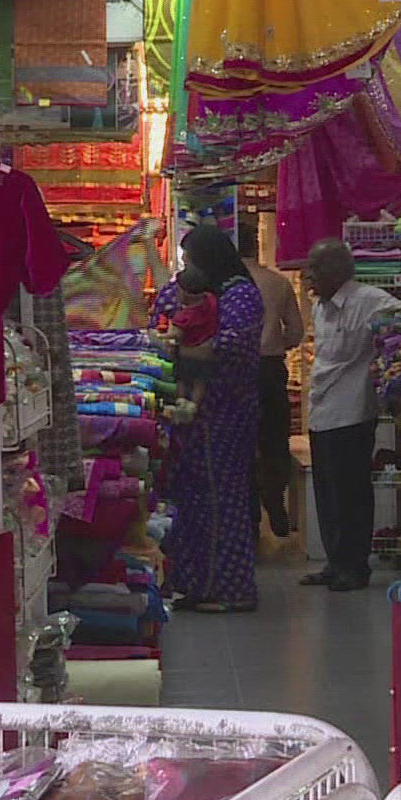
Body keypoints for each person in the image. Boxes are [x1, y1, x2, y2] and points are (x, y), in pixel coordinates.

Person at [152, 225, 264, 613]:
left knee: (222, 497)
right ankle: (193, 584)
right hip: (190, 416)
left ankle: (231, 589)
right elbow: (162, 316)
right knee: (189, 498)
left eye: (192, 260)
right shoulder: (193, 289)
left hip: (226, 412)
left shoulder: (240, 294)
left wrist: (182, 348)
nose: (187, 268)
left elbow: (232, 347)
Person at [302, 238, 401, 592]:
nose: (308, 275)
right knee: (328, 492)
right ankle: (335, 562)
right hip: (322, 409)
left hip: (352, 412)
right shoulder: (320, 307)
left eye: (315, 268)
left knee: (351, 493)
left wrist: (384, 363)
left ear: (337, 271)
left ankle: (354, 566)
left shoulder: (369, 301)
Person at [241, 225, 302, 538]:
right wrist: (278, 343)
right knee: (274, 439)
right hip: (270, 367)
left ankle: (249, 514)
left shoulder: (227, 286)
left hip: (237, 370)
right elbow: (296, 331)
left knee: (241, 443)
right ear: (256, 245)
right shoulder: (277, 282)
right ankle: (276, 503)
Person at [165, 263, 220, 414]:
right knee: (200, 381)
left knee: (182, 379)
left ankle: (181, 402)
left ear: (184, 294)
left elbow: (177, 334)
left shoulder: (185, 317)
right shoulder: (211, 300)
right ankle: (195, 404)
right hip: (207, 354)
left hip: (187, 354)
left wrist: (160, 336)